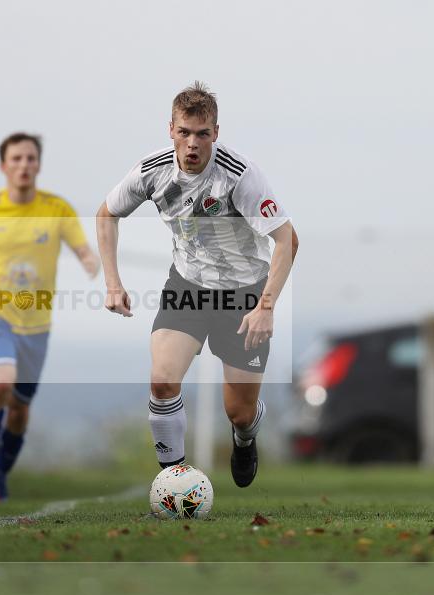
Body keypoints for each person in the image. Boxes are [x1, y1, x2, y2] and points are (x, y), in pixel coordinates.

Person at [96, 82, 298, 488]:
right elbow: (106, 214)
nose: (193, 144)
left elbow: (287, 240)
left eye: (202, 134)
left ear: (215, 133)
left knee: (239, 412)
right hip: (187, 287)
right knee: (162, 380)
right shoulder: (151, 171)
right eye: (184, 132)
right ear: (170, 129)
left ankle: (245, 438)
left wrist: (265, 307)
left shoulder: (239, 175)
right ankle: (174, 484)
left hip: (244, 295)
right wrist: (113, 282)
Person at [0, 133, 99, 499]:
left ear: (38, 164)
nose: (24, 165)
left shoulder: (56, 208)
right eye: (16, 158)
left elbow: (81, 246)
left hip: (36, 325)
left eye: (30, 158)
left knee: (20, 409)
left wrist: (90, 260)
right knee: (0, 383)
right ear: (3, 166)